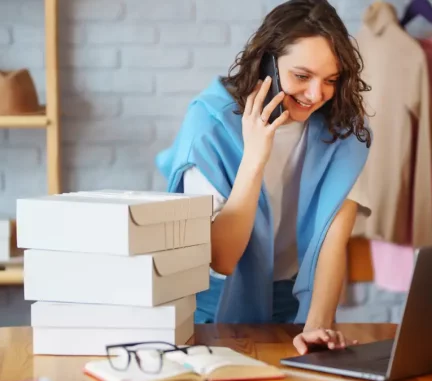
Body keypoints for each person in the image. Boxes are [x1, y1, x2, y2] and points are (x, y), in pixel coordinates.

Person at [155, 0, 372, 355]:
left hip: (294, 305)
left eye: (330, 80)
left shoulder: (343, 132)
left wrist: (317, 327)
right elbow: (221, 258)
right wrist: (254, 157)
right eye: (301, 76)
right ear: (267, 63)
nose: (316, 94)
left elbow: (333, 240)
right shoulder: (210, 125)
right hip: (213, 309)